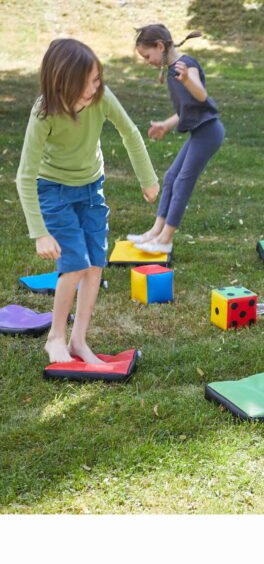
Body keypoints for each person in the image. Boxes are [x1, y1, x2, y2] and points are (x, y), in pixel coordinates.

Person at [16, 38, 159, 364]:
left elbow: (130, 133)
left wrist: (147, 178)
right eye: (87, 83)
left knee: (95, 263)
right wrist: (39, 232)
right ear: (62, 84)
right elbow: (25, 175)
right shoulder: (44, 114)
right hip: (54, 190)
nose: (95, 88)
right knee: (75, 263)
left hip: (91, 188)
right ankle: (55, 337)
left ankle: (78, 341)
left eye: (97, 80)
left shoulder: (102, 98)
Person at [128, 25, 225, 253]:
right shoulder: (173, 69)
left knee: (183, 181)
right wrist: (165, 124)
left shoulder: (185, 66)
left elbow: (201, 94)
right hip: (200, 131)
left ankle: (166, 240)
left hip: (209, 131)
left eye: (147, 55)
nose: (147, 61)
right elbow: (186, 109)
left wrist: (187, 80)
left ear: (160, 46)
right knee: (171, 177)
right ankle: (156, 232)